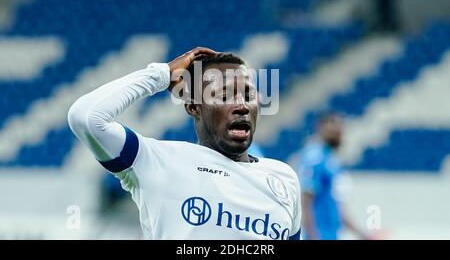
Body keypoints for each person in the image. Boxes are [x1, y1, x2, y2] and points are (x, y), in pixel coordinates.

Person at [68, 47, 301, 240]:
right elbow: (86, 117)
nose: (241, 105)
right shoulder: (158, 161)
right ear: (193, 107)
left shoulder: (284, 178)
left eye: (248, 96)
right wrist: (161, 74)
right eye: (224, 96)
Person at [297, 113, 370, 240]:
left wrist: (362, 234)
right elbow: (305, 201)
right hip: (319, 235)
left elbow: (336, 206)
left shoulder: (329, 159)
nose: (340, 132)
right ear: (321, 128)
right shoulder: (315, 158)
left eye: (341, 128)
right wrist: (313, 236)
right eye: (335, 127)